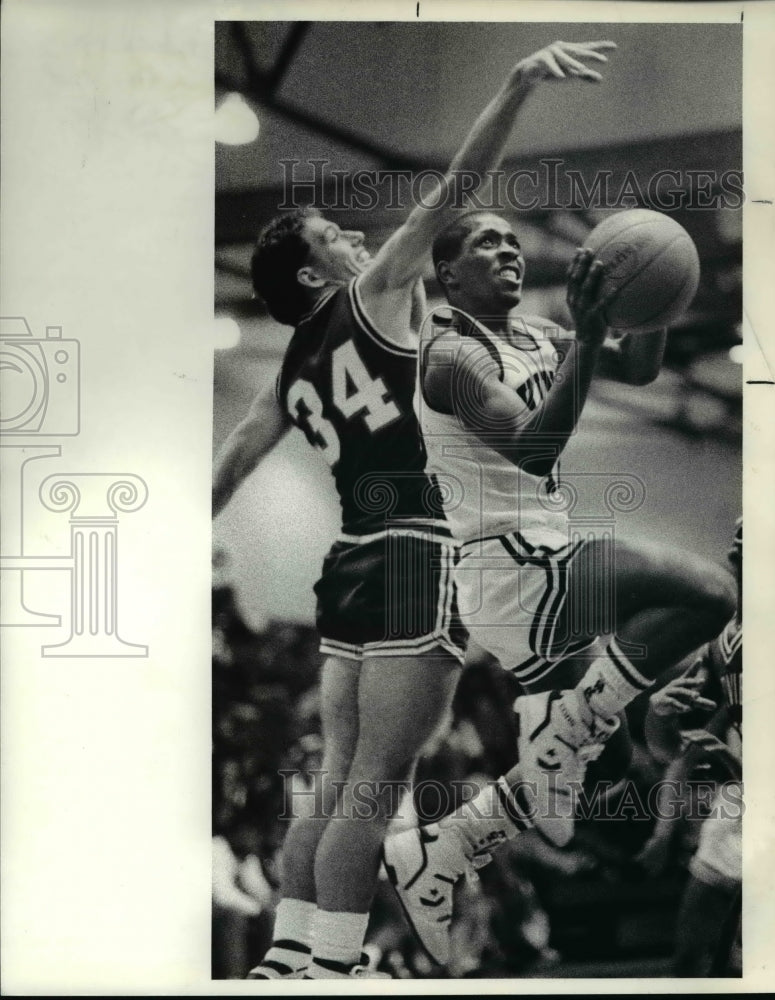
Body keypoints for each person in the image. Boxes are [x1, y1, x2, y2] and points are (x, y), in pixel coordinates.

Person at [212, 40, 620, 980]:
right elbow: (455, 188)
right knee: (375, 787)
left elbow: (232, 462)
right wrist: (515, 85)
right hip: (418, 546)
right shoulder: (371, 298)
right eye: (336, 241)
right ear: (318, 278)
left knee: (336, 777)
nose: (356, 242)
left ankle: (287, 958)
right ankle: (338, 965)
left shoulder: (289, 369)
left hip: (351, 554)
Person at [382, 212, 736, 965]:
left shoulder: (534, 337)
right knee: (708, 592)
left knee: (582, 794)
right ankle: (561, 728)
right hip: (509, 566)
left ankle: (443, 849)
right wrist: (586, 328)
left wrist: (651, 305)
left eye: (513, 240)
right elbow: (536, 447)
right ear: (448, 275)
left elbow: (637, 370)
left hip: (532, 565)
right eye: (486, 243)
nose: (507, 249)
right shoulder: (448, 356)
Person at [638, 518, 742, 976]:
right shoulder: (724, 646)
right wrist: (659, 711)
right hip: (745, 803)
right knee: (689, 961)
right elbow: (674, 751)